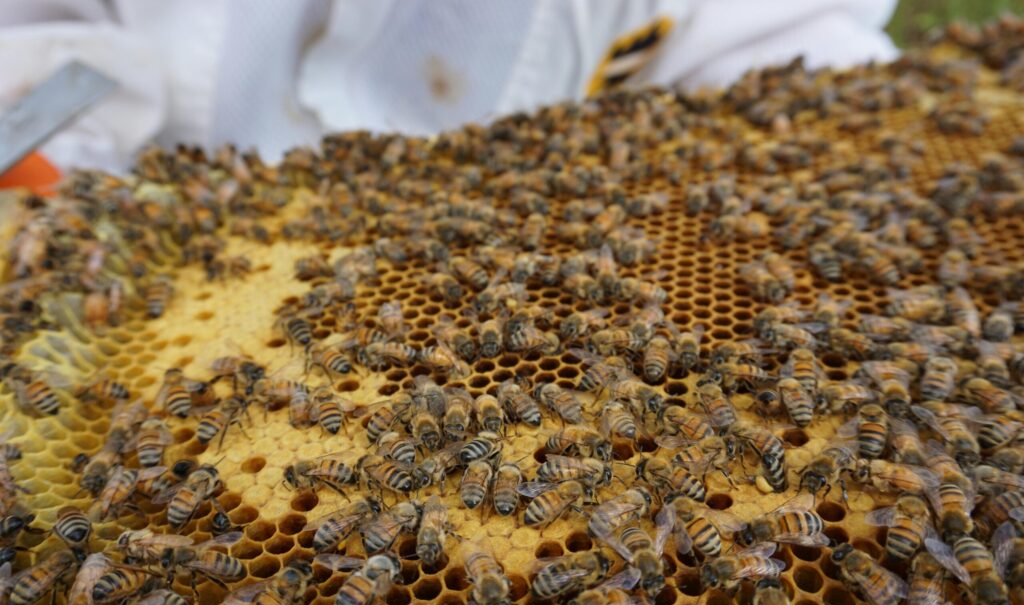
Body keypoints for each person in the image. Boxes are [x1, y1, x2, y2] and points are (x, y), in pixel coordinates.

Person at [0, 0, 898, 173]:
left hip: (571, 268)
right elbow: (44, 49)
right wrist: (30, 156)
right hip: (156, 261)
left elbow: (790, 61)